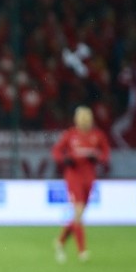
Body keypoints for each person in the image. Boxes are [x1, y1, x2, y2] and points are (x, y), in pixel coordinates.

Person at [51, 105, 110, 263]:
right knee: (78, 211)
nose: (84, 121)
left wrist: (98, 159)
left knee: (79, 214)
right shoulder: (70, 135)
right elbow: (56, 151)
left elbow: (106, 153)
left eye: (87, 118)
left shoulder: (98, 135)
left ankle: (60, 241)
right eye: (81, 118)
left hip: (89, 177)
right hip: (73, 176)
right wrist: (64, 160)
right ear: (76, 119)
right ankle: (82, 251)